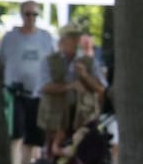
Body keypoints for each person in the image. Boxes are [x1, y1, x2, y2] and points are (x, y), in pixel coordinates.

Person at [0, 1, 56, 164]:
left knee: (33, 136)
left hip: (38, 93)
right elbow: (0, 63)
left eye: (34, 14)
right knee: (15, 134)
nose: (31, 18)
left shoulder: (46, 38)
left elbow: (53, 64)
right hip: (14, 93)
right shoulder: (9, 38)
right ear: (22, 15)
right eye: (27, 14)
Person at [38, 24, 106, 156]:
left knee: (80, 150)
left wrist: (85, 76)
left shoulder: (89, 62)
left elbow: (101, 88)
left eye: (77, 37)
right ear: (62, 40)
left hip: (81, 115)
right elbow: (43, 86)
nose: (75, 41)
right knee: (52, 150)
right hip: (55, 115)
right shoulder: (49, 61)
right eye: (71, 37)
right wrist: (70, 86)